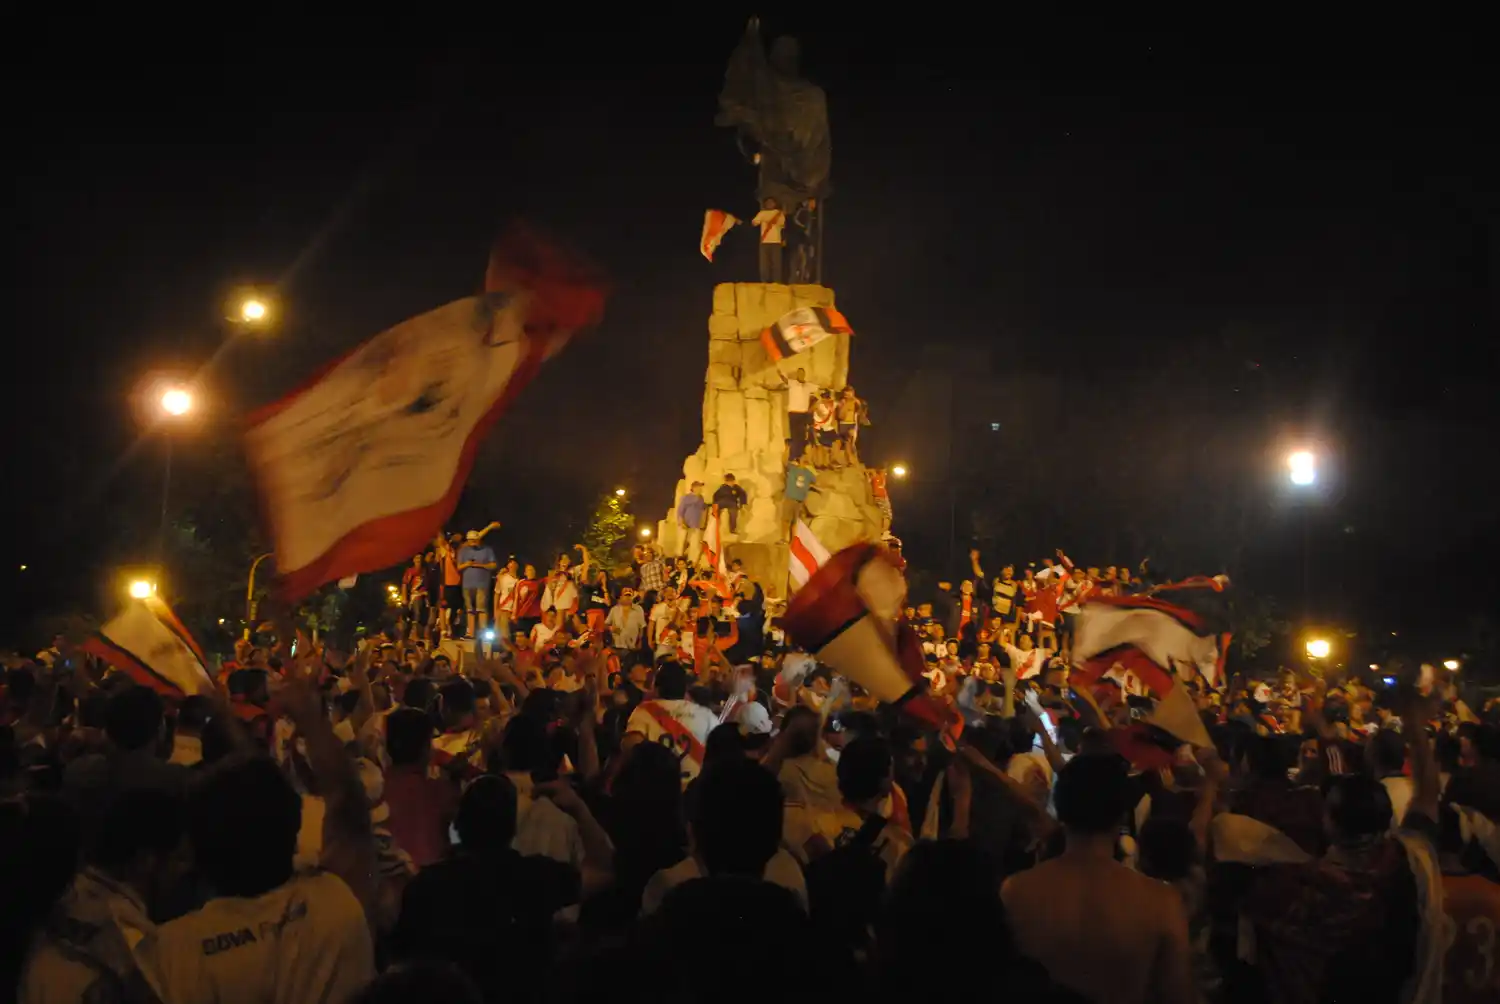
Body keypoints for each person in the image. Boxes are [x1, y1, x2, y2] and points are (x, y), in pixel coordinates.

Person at [1002, 754, 1194, 1004]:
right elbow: (1177, 995)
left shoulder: (1015, 892)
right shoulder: (1161, 903)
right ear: (1122, 816)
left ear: (1060, 808)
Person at [457, 526, 499, 641]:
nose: (472, 543)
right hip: (467, 584)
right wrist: (467, 564)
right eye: (470, 541)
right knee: (470, 609)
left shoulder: (487, 550)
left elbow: (494, 565)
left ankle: (482, 632)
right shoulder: (463, 551)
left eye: (474, 540)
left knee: (481, 608)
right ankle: (470, 633)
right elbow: (459, 567)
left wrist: (481, 566)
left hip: (482, 584)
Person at [780, 367, 817, 461]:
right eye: (799, 373)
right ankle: (793, 457)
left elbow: (818, 394)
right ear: (797, 374)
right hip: (793, 413)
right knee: (794, 436)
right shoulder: (792, 383)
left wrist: (811, 408)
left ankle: (798, 456)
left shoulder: (809, 385)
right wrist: (780, 373)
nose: (800, 375)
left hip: (803, 414)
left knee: (802, 436)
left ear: (804, 374)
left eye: (802, 373)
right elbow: (784, 380)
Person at [751, 196, 785, 283]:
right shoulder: (762, 213)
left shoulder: (779, 213)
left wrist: (768, 220)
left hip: (776, 241)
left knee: (776, 264)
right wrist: (763, 219)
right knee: (764, 265)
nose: (770, 204)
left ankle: (776, 282)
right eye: (768, 202)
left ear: (775, 203)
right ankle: (765, 282)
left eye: (772, 202)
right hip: (764, 242)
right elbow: (754, 222)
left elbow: (782, 224)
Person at [676, 481, 707, 565]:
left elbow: (703, 508)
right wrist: (681, 521)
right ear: (693, 488)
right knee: (682, 543)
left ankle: (692, 562)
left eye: (701, 487)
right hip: (685, 523)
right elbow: (680, 510)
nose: (700, 489)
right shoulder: (686, 497)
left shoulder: (701, 498)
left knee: (695, 543)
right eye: (698, 487)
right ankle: (678, 560)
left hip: (695, 525)